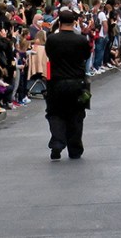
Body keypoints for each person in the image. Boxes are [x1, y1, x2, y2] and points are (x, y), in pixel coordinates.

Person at [44, 10, 90, 161]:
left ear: (59, 21)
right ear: (75, 21)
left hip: (56, 82)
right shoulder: (81, 40)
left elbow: (49, 55)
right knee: (76, 115)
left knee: (55, 113)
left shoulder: (52, 39)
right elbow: (86, 56)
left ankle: (57, 141)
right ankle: (75, 148)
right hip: (77, 82)